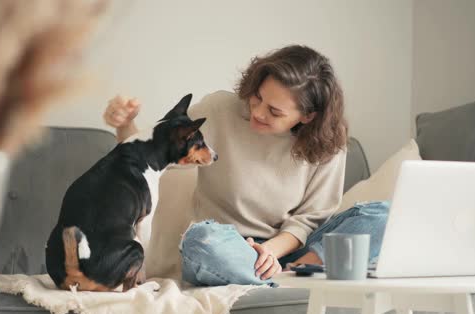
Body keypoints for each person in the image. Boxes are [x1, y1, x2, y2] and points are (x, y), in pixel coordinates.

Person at [104, 45, 389, 286]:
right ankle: (290, 280)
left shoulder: (329, 143)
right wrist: (124, 124)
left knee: (384, 215)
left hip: (293, 251)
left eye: (274, 111)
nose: (257, 111)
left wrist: (269, 252)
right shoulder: (219, 110)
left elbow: (310, 219)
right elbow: (147, 157)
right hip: (225, 248)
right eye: (258, 97)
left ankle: (292, 273)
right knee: (200, 241)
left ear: (307, 117)